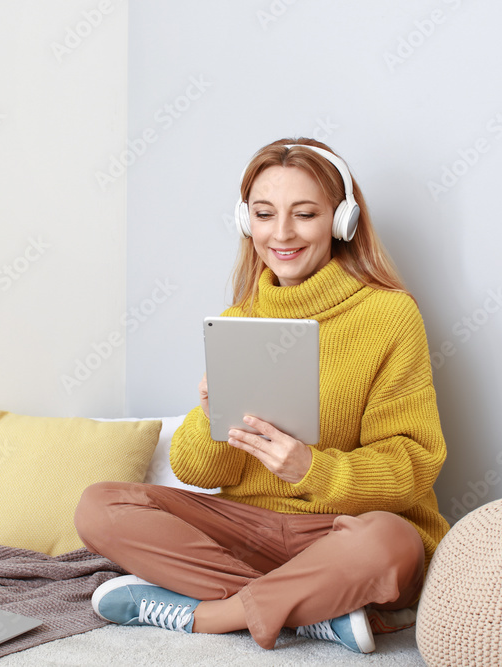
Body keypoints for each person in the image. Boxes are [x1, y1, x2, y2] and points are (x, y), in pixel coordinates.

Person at [74, 138, 449, 653]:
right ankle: (317, 612)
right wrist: (211, 421)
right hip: (249, 533)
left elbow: (412, 464)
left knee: (393, 545)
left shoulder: (389, 316)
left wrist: (311, 470)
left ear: (341, 222)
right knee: (99, 506)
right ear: (246, 221)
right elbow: (198, 473)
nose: (282, 233)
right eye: (265, 214)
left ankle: (210, 615)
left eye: (305, 214)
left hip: (342, 535)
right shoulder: (237, 322)